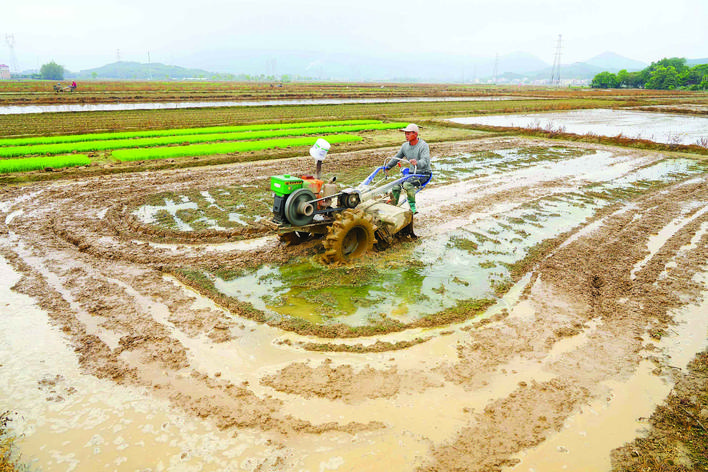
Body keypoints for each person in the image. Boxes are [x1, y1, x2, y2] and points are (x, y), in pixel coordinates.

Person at [384, 123, 432, 214]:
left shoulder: (423, 145)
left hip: (423, 173)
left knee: (407, 184)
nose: (406, 136)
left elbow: (425, 161)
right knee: (396, 185)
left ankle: (413, 208)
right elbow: (397, 157)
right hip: (411, 173)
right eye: (405, 133)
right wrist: (387, 167)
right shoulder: (405, 146)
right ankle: (394, 205)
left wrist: (417, 162)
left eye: (408, 133)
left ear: (415, 134)